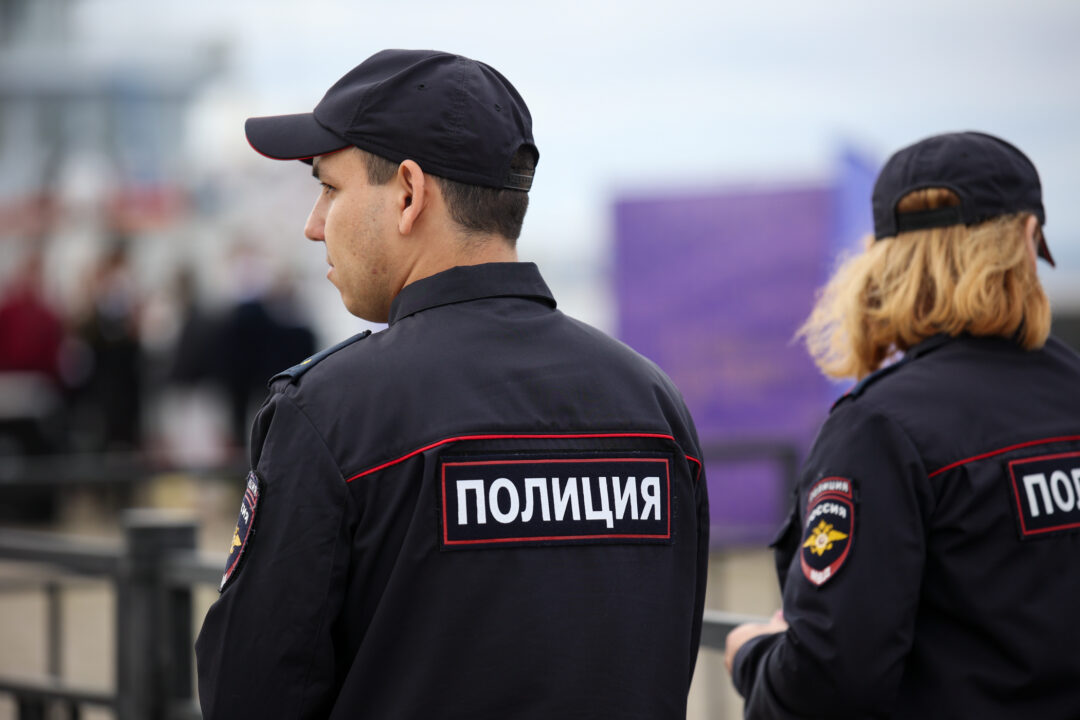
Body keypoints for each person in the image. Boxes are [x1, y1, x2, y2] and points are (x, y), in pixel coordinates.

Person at [195, 49, 709, 719]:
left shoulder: (330, 414)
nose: (314, 225)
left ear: (409, 194)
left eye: (330, 188)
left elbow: (250, 693)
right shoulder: (654, 406)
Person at [724, 131, 1080, 719]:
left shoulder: (881, 430)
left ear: (881, 260)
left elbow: (830, 683)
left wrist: (754, 656)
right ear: (1026, 239)